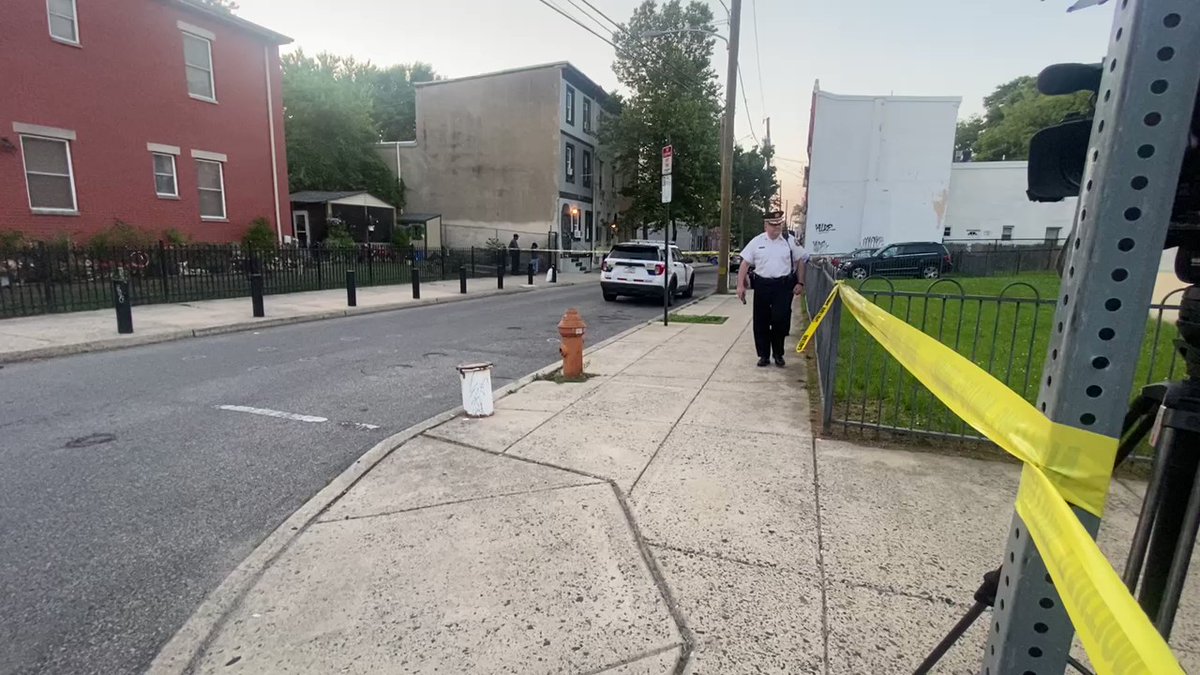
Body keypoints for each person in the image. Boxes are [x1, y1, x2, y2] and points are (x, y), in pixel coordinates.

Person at [736, 211, 810, 367]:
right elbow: (745, 263)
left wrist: (800, 282)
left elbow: (801, 261)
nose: (777, 227)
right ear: (766, 225)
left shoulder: (789, 241)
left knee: (779, 320)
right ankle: (763, 355)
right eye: (773, 225)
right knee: (761, 321)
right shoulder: (757, 241)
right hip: (762, 285)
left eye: (779, 224)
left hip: (782, 286)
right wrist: (740, 285)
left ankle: (778, 354)